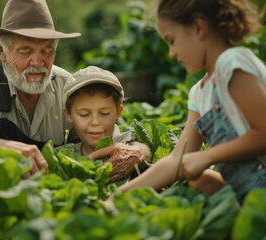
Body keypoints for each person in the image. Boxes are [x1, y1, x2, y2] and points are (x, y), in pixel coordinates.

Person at [0, 0, 150, 181]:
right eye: (26, 50)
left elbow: (111, 136)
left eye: (47, 51)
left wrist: (140, 150)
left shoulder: (66, 84)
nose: (38, 62)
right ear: (1, 50)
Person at [113, 0, 266, 205]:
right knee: (202, 181)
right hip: (251, 191)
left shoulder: (231, 64)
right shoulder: (199, 93)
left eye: (172, 40)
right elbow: (177, 160)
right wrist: (117, 196)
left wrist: (208, 156)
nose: (171, 53)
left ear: (198, 27)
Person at [57, 66, 144, 182]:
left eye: (104, 113)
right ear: (68, 115)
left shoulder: (133, 152)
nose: (95, 122)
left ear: (118, 113)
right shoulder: (61, 157)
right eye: (84, 114)